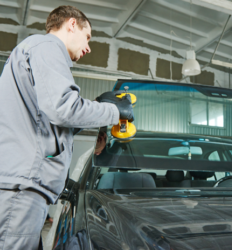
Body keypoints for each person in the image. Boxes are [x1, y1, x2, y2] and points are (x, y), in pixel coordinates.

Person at [0, 5, 133, 249]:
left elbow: (47, 122)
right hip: (24, 187)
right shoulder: (48, 47)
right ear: (72, 24)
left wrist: (89, 115)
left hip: (21, 184)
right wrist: (115, 111)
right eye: (88, 37)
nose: (89, 47)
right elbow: (64, 108)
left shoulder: (34, 50)